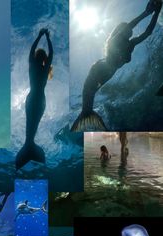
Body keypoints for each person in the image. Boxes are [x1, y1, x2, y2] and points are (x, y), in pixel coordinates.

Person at [71, 0, 162, 132]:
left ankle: (86, 113)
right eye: (125, 29)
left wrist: (156, 12)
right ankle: (86, 113)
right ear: (120, 31)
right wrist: (146, 12)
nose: (129, 31)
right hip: (101, 68)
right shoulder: (115, 39)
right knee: (89, 92)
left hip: (108, 71)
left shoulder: (131, 44)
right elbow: (130, 25)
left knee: (91, 93)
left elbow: (148, 32)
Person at [15, 28, 53, 170]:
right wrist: (46, 37)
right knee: (33, 124)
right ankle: (29, 147)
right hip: (40, 100)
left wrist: (40, 36)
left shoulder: (35, 66)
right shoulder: (42, 68)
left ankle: (28, 147)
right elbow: (50, 54)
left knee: (31, 124)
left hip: (32, 99)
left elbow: (33, 50)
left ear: (39, 57)